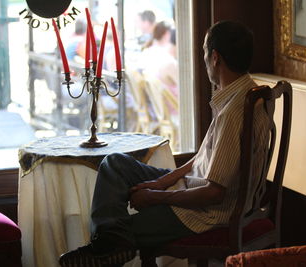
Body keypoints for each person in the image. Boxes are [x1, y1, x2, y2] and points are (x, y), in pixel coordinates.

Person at [60, 20, 269, 266]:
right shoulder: (245, 91)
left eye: (203, 52)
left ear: (215, 58)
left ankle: (106, 247)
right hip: (194, 186)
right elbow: (205, 156)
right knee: (114, 163)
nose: (203, 61)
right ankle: (110, 246)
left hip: (206, 213)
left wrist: (157, 197)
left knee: (121, 229)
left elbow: (214, 193)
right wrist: (161, 182)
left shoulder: (233, 112)